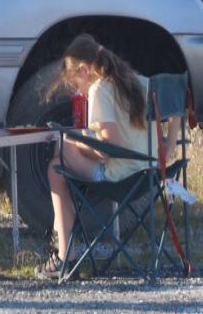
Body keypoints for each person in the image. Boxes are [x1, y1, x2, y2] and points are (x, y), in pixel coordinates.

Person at [39, 33, 158, 280]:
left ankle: (64, 254)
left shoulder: (99, 89)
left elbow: (108, 148)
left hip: (120, 175)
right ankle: (62, 245)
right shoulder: (138, 81)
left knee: (56, 162)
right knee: (62, 157)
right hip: (149, 171)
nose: (78, 90)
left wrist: (76, 143)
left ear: (84, 70)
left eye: (76, 84)